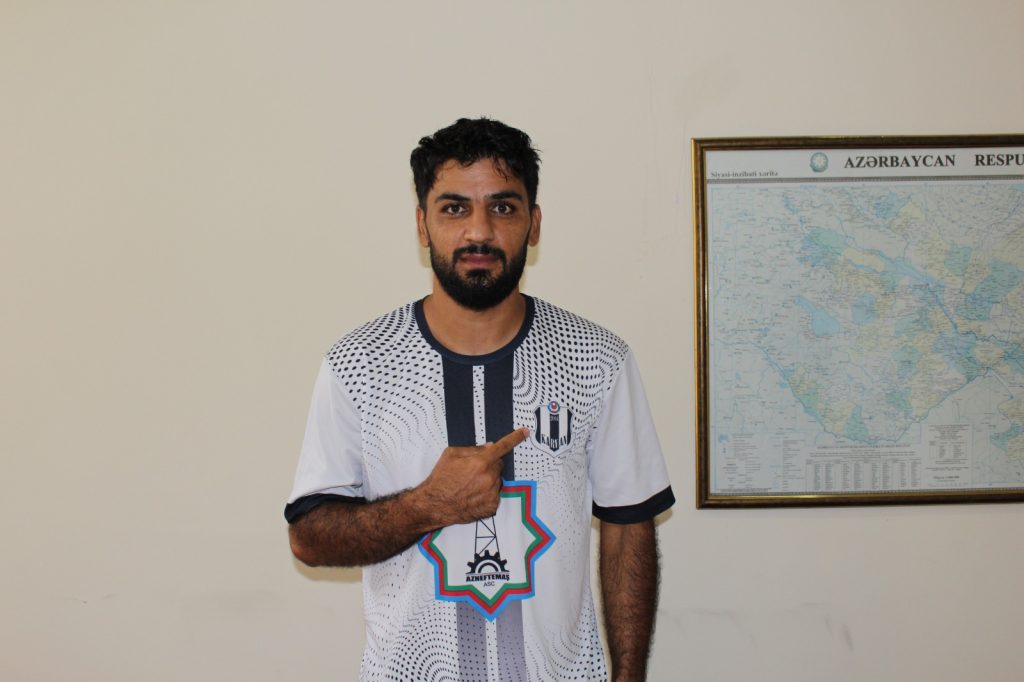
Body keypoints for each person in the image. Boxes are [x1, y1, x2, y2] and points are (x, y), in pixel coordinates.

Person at [285, 117, 674, 682]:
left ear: (533, 224)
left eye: (503, 207)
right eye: (454, 208)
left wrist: (629, 676)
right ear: (422, 225)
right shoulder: (358, 363)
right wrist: (427, 505)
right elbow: (308, 538)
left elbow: (628, 525)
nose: (479, 231)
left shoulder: (597, 358)